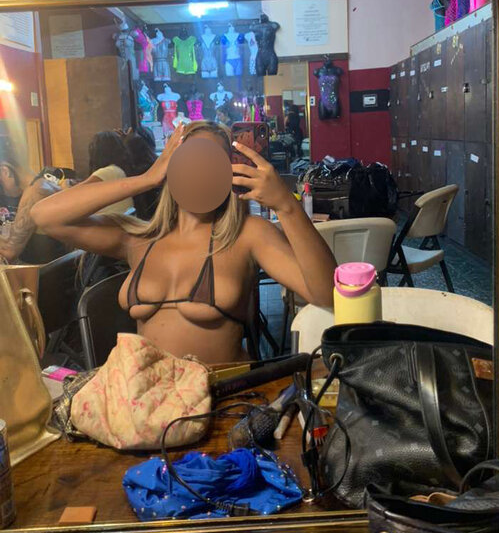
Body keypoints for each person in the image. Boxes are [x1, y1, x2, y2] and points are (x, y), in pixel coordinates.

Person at [32, 121, 336, 364]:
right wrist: (146, 178)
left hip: (222, 401)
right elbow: (45, 216)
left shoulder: (247, 235)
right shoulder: (138, 239)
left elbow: (327, 294)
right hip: (149, 403)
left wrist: (287, 206)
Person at [0, 147, 67, 264]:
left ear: (5, 171)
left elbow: (10, 252)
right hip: (48, 267)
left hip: (48, 272)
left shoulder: (36, 192)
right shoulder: (43, 183)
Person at [85, 131, 135, 215]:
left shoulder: (107, 172)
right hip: (121, 220)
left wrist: (65, 185)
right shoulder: (117, 170)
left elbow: (77, 192)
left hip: (109, 221)